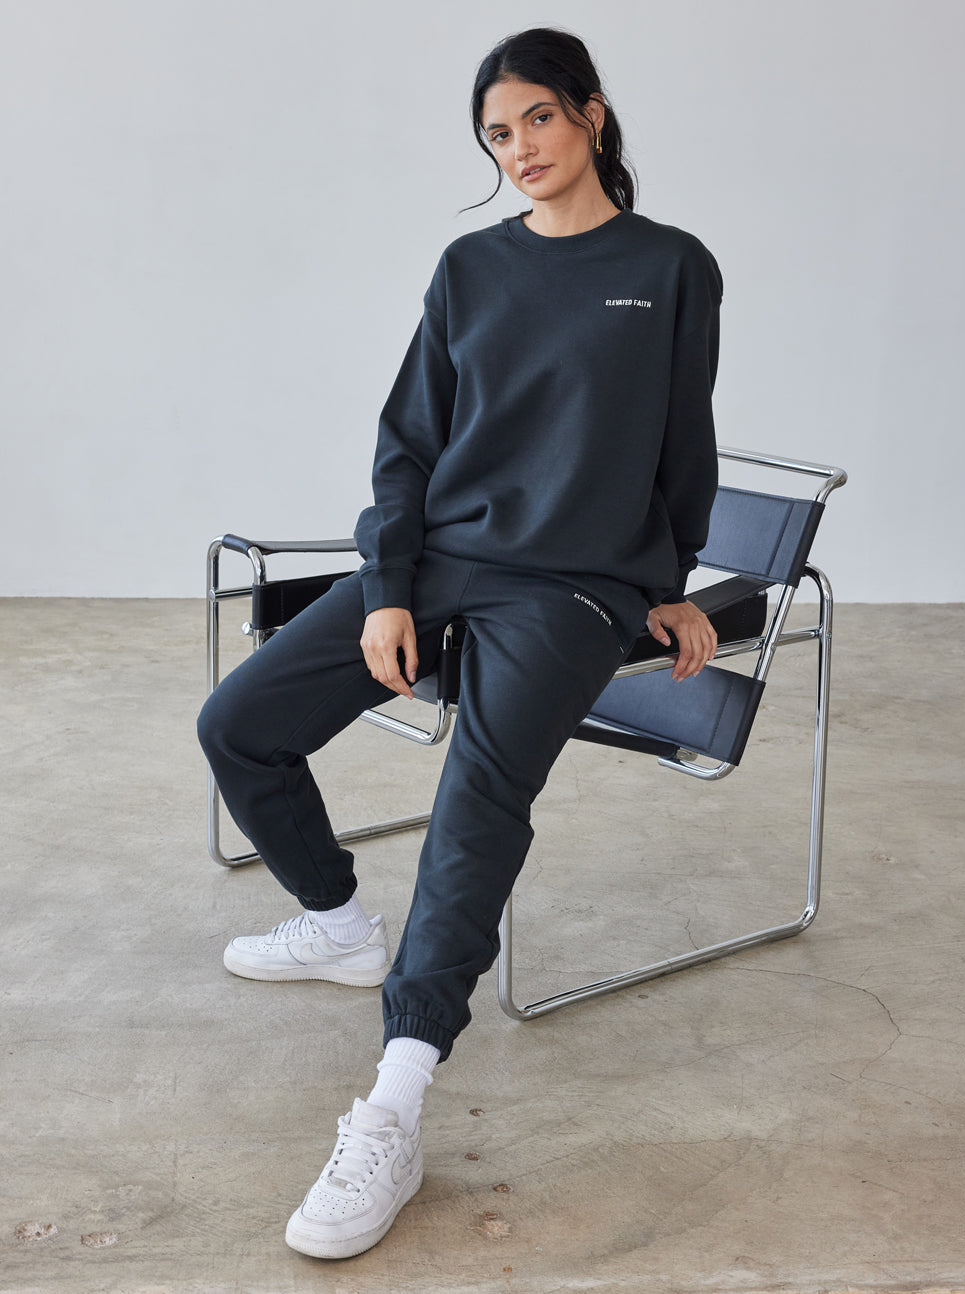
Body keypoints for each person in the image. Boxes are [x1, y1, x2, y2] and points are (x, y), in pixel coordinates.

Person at [198, 26, 721, 1261]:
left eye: (537, 117)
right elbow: (409, 444)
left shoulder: (670, 265)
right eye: (496, 133)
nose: (519, 148)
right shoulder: (469, 266)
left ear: (590, 114)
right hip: (438, 559)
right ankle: (337, 920)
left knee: (478, 795)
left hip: (574, 589)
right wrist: (387, 588)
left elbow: (680, 442)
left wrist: (670, 584)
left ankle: (395, 1097)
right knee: (239, 724)